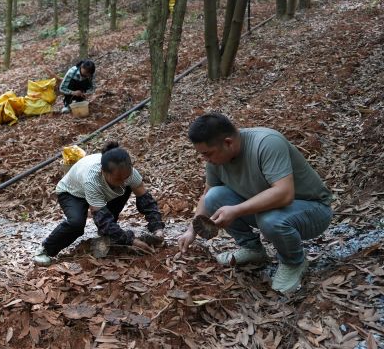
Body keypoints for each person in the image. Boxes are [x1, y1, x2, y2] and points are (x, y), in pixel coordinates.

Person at [178, 113, 333, 294]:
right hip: (270, 210)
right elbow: (206, 197)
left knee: (270, 219)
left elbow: (284, 194)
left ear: (228, 142)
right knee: (214, 196)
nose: (205, 159)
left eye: (207, 154)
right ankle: (253, 250)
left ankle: (294, 262)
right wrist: (191, 230)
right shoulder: (215, 160)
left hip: (313, 210)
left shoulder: (266, 143)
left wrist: (235, 210)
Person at [34, 142, 165, 265]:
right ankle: (46, 249)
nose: (123, 181)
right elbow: (102, 218)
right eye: (118, 178)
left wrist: (157, 229)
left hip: (104, 190)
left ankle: (110, 235)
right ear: (103, 171)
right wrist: (131, 240)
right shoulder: (92, 179)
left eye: (126, 177)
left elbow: (146, 200)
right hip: (72, 193)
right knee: (76, 224)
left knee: (125, 189)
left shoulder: (129, 174)